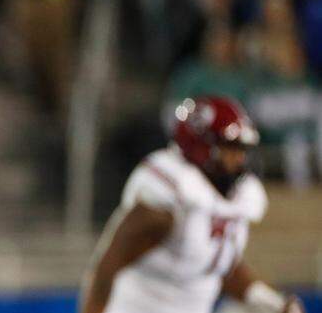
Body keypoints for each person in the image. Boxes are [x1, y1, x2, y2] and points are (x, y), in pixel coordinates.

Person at [80, 96, 305, 313]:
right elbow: (105, 270)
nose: (240, 159)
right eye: (231, 148)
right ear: (203, 148)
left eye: (242, 149)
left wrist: (273, 303)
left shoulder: (227, 199)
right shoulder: (162, 211)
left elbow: (220, 266)